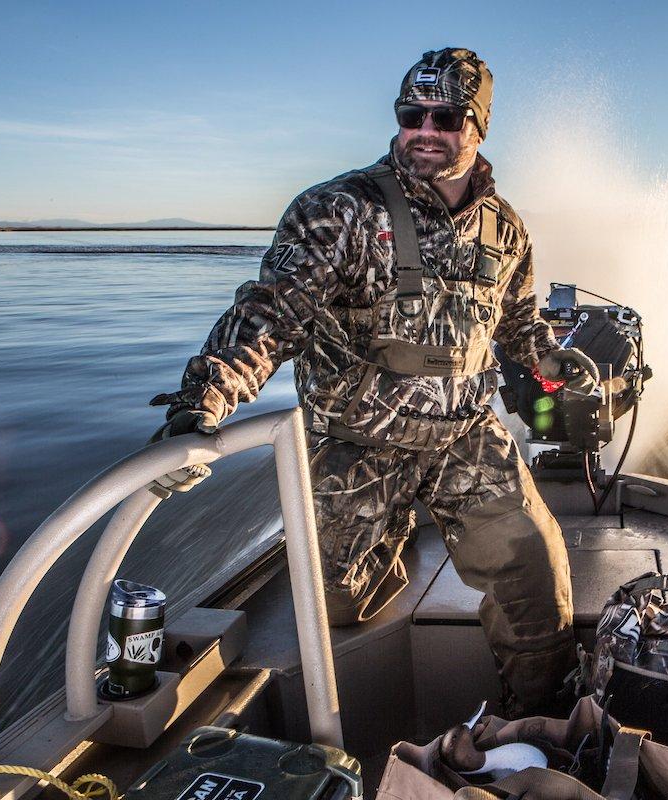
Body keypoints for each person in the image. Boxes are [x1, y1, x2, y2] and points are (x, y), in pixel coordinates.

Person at [149, 47, 599, 714]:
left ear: (478, 125)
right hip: (357, 440)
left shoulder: (507, 229)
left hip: (464, 436)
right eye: (409, 113)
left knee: (535, 568)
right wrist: (209, 393)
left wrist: (551, 359)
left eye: (444, 116)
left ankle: (540, 722)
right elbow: (273, 311)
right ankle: (385, 536)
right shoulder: (339, 210)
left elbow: (516, 318)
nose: (423, 128)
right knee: (340, 606)